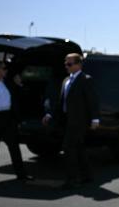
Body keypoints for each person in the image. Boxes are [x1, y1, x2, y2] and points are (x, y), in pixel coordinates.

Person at [42, 53, 99, 188]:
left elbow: (92, 100)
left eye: (69, 64)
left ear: (78, 64)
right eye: (65, 64)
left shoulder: (86, 79)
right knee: (79, 148)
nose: (66, 66)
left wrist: (95, 119)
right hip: (66, 120)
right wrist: (50, 115)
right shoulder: (66, 80)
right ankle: (88, 176)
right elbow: (61, 102)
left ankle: (71, 180)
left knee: (68, 148)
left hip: (79, 121)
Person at [0, 60, 32, 183]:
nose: (5, 70)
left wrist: (20, 85)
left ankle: (21, 174)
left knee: (14, 147)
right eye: (3, 68)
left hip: (8, 118)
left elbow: (24, 96)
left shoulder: (8, 83)